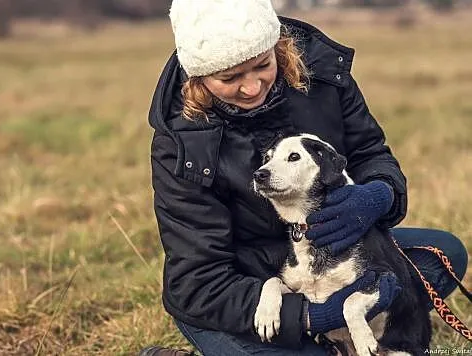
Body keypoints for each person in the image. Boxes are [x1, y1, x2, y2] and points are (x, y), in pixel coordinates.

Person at [141, 0, 469, 355]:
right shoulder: (180, 143)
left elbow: (370, 153)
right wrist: (312, 316)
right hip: (246, 289)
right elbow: (198, 282)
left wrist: (379, 194)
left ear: (278, 47)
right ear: (198, 79)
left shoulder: (325, 75)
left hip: (333, 258)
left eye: (261, 65)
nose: (252, 88)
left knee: (444, 255)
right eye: (230, 78)